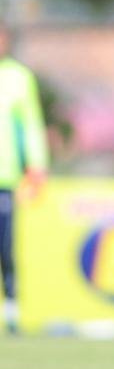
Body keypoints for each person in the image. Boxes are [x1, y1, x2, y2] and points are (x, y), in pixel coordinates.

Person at [0, 28, 49, 336]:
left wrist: (37, 165)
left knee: (5, 249)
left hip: (4, 178)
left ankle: (12, 313)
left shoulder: (18, 78)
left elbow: (30, 124)